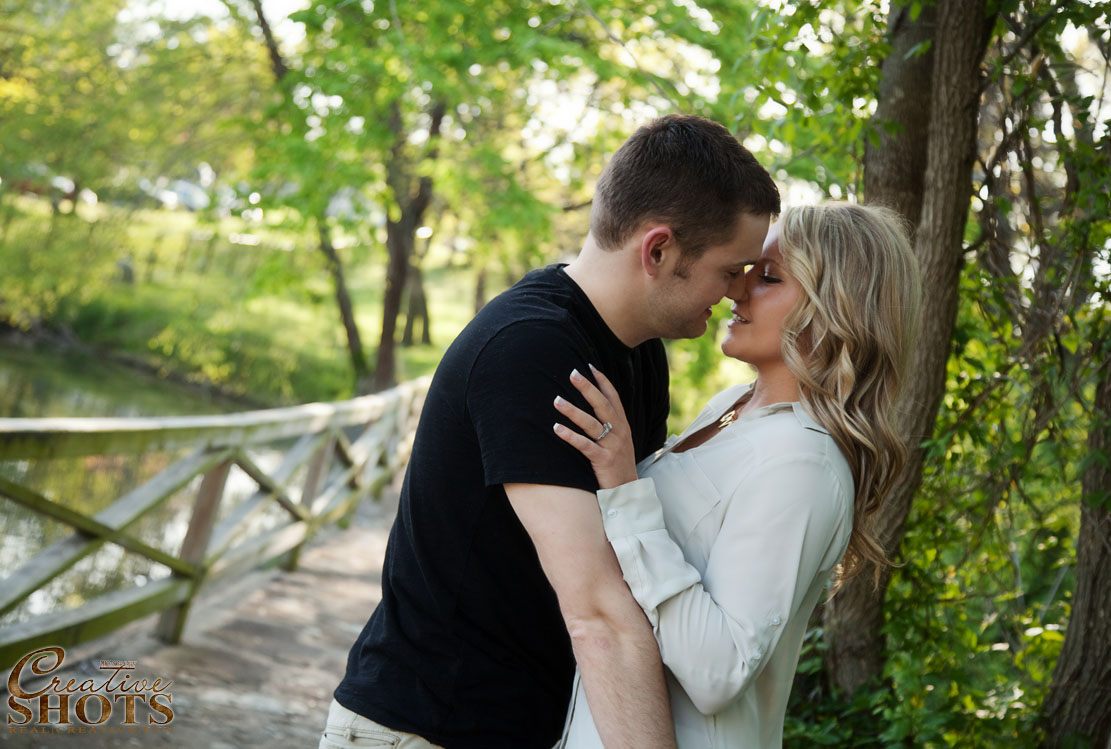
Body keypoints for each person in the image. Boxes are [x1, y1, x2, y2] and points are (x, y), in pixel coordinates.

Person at [319, 114, 781, 749]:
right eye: (731, 270)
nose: (737, 292)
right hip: (424, 729)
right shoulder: (531, 349)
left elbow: (631, 547)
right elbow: (599, 615)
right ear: (658, 251)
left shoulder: (639, 351)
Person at [551, 202, 921, 748]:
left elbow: (718, 671)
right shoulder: (732, 407)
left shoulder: (803, 462)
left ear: (833, 311)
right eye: (745, 271)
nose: (736, 290)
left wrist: (626, 489)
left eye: (768, 278)